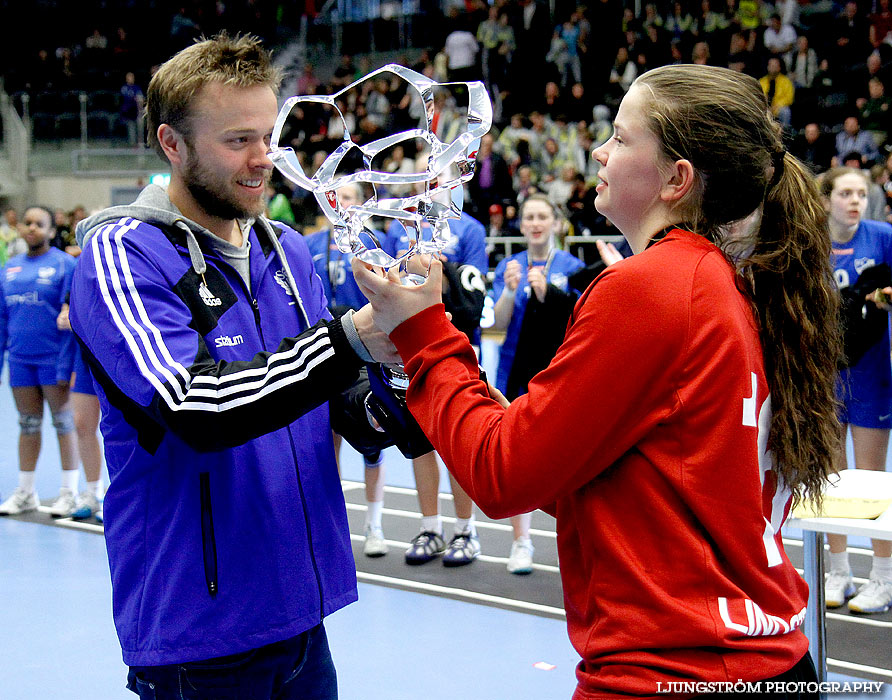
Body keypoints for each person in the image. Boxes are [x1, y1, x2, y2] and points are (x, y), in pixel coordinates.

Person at [352, 64, 841, 696]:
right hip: (756, 657)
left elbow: (504, 475)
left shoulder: (653, 286)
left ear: (676, 178)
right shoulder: (725, 284)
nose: (601, 152)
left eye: (620, 136)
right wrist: (481, 401)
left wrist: (423, 336)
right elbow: (612, 477)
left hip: (675, 668)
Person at [67, 34, 400, 700]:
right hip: (200, 636)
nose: (261, 162)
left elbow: (359, 418)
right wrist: (355, 335)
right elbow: (197, 407)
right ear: (172, 144)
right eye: (236, 140)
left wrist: (412, 356)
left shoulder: (290, 252)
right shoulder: (121, 257)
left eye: (268, 138)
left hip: (303, 622)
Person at [384, 207, 487, 566]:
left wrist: (435, 274)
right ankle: (431, 527)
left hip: (458, 347)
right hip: (411, 350)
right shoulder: (400, 224)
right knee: (420, 442)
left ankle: (465, 530)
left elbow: (475, 299)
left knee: (456, 440)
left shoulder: (469, 229)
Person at [491, 194, 584, 574]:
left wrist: (551, 296)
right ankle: (521, 542)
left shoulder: (573, 266)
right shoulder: (507, 266)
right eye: (529, 216)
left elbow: (583, 321)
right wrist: (511, 292)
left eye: (542, 216)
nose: (535, 222)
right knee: (519, 457)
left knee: (569, 458)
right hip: (514, 371)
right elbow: (495, 324)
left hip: (562, 372)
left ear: (556, 222)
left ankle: (577, 543)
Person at [305, 182, 389, 557]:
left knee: (373, 442)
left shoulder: (376, 245)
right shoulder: (308, 246)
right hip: (327, 348)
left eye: (351, 198)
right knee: (328, 442)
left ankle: (374, 525)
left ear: (364, 205)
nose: (344, 206)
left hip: (367, 351)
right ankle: (331, 526)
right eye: (337, 199)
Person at [821, 167, 892, 615]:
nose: (855, 201)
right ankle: (839, 569)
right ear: (826, 198)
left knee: (869, 476)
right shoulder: (811, 240)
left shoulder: (882, 236)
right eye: (846, 193)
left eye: (862, 194)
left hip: (870, 371)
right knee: (830, 474)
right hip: (827, 372)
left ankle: (882, 577)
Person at [0, 206, 78, 517]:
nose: (31, 228)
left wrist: (66, 365)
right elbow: (2, 320)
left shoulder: (64, 265)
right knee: (28, 425)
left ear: (50, 231)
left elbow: (71, 317)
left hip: (53, 360)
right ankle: (26, 492)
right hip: (20, 360)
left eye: (39, 224)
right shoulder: (10, 268)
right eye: (27, 222)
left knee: (63, 423)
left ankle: (69, 492)